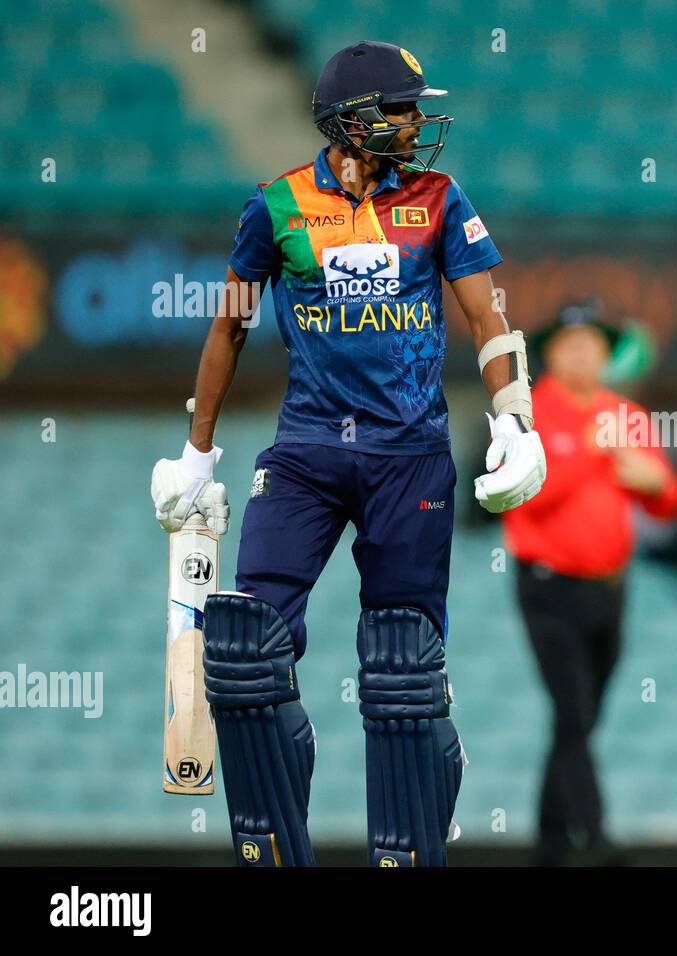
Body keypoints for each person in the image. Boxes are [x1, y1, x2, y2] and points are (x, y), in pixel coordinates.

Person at [149, 40, 546, 867]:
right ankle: (274, 849)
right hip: (304, 453)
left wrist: (515, 418)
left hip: (412, 458)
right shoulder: (278, 205)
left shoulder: (439, 197)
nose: (414, 122)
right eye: (400, 108)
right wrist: (198, 454)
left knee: (401, 664)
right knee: (245, 644)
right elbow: (229, 324)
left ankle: (417, 813)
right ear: (352, 119)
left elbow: (489, 318)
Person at [502, 301, 677, 866]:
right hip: (548, 586)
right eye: (570, 343)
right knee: (574, 712)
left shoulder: (624, 413)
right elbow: (528, 495)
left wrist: (651, 477)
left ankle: (550, 845)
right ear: (550, 353)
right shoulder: (526, 414)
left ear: (608, 355)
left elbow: (668, 499)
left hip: (610, 588)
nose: (583, 353)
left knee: (577, 721)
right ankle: (598, 839)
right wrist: (592, 453)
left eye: (594, 344)